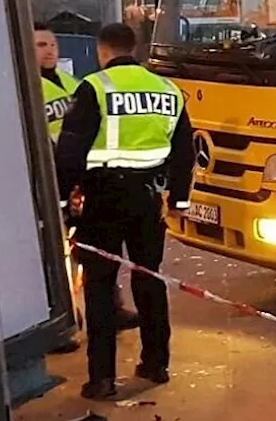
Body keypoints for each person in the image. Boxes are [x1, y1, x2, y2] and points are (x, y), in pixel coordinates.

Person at [55, 23, 194, 400]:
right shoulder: (168, 90)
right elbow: (184, 152)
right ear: (135, 49)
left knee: (100, 287)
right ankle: (156, 364)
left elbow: (70, 151)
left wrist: (65, 202)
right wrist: (179, 201)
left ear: (102, 51)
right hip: (149, 199)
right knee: (149, 279)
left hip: (103, 199)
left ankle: (101, 379)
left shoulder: (95, 87)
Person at [35, 23, 142, 355]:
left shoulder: (74, 85)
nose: (49, 50)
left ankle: (112, 307)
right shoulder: (26, 87)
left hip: (78, 178)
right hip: (45, 179)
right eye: (40, 45)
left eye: (51, 44)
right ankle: (60, 320)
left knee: (91, 251)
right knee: (54, 253)